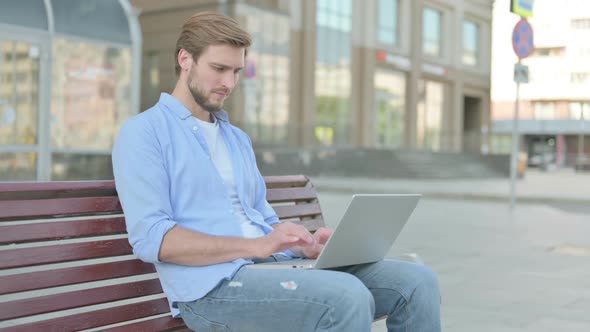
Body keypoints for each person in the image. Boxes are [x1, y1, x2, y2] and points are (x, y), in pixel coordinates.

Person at [112, 11, 441, 332]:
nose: (229, 83)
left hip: (271, 270)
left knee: (416, 282)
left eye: (237, 71)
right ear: (185, 59)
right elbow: (152, 238)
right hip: (212, 290)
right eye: (219, 68)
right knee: (346, 296)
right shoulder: (144, 133)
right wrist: (256, 247)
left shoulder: (236, 139)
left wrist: (302, 246)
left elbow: (263, 222)